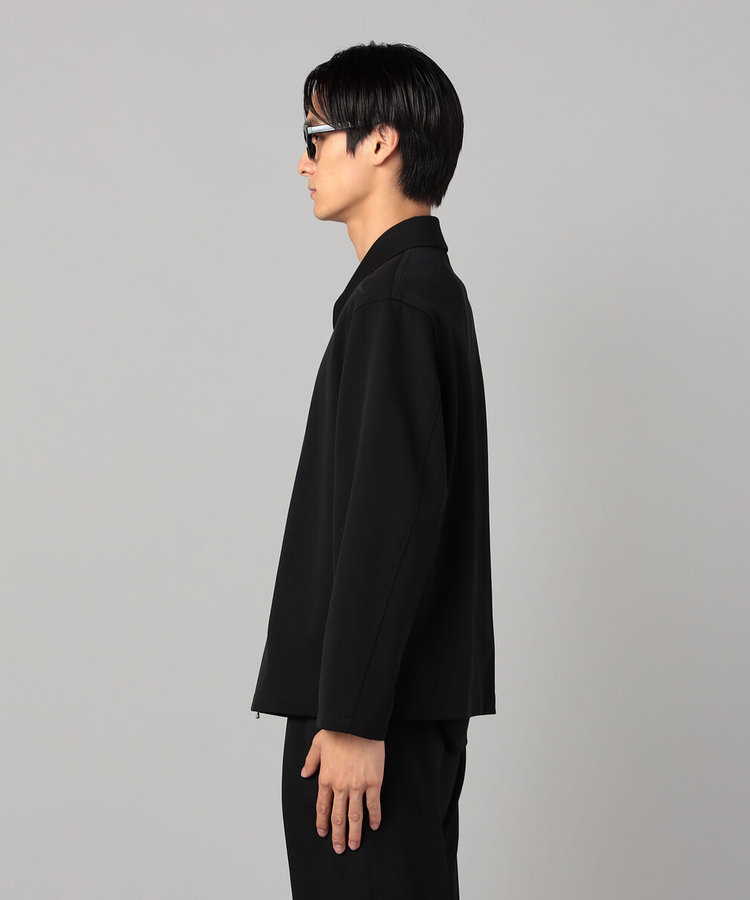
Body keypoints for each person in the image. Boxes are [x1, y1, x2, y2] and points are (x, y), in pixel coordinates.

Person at [251, 40, 496, 899]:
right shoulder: (415, 293)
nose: (303, 160)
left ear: (380, 141)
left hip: (368, 717)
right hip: (391, 706)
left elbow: (393, 518)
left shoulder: (396, 303)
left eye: (315, 136)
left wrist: (354, 719)